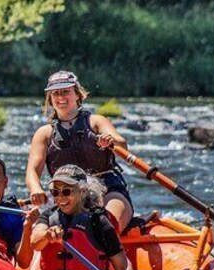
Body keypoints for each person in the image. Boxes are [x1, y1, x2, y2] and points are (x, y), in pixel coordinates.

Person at [26, 70, 134, 233]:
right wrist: (36, 189)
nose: (60, 97)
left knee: (107, 226)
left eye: (65, 91)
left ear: (77, 94)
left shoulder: (96, 122)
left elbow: (122, 145)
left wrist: (111, 140)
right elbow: (32, 171)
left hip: (108, 190)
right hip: (67, 195)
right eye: (55, 93)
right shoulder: (44, 133)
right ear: (50, 99)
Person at [30, 165, 137, 270]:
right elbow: (35, 241)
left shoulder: (99, 222)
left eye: (66, 191)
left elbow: (123, 264)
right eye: (55, 192)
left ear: (82, 191)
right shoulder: (48, 216)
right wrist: (47, 235)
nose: (60, 197)